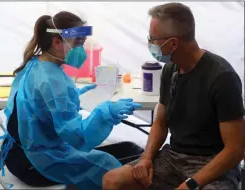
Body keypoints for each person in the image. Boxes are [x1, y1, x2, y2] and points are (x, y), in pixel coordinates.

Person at [102, 2, 245, 190]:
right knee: (113, 181)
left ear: (173, 43)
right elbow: (160, 123)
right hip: (173, 158)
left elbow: (236, 149)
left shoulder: (222, 77)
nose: (150, 44)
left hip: (213, 164)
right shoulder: (170, 70)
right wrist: (145, 158)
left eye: (153, 39)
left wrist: (192, 183)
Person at [0, 11, 142, 190]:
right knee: (111, 167)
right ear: (57, 42)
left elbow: (43, 107)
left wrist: (75, 95)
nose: (82, 50)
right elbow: (78, 138)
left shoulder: (36, 64)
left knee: (120, 152)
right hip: (34, 164)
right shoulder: (52, 81)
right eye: (78, 43)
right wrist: (105, 114)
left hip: (17, 154)